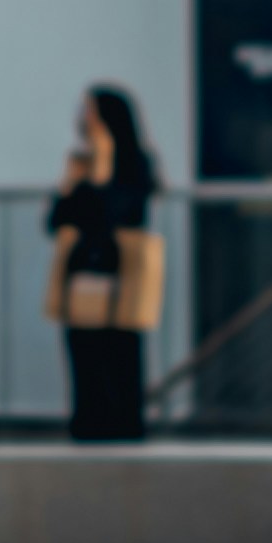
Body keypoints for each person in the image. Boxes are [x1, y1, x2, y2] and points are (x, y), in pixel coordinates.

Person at [46, 83, 161, 445]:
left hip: (119, 274)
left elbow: (116, 210)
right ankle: (88, 422)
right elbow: (57, 218)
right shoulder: (78, 165)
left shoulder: (135, 162)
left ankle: (123, 426)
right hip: (83, 271)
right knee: (84, 351)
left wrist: (103, 168)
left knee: (120, 354)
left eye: (90, 113)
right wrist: (81, 178)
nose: (83, 121)